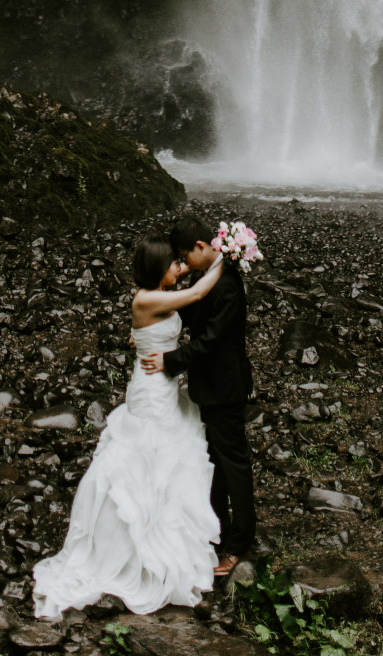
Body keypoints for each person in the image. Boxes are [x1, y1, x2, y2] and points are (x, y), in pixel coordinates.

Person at [32, 236, 225, 619]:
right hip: (151, 391)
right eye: (173, 265)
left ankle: (164, 533)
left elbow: (181, 283)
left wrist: (191, 262)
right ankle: (134, 547)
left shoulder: (154, 294)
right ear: (158, 270)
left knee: (169, 456)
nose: (179, 269)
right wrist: (227, 254)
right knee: (146, 458)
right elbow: (200, 293)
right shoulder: (146, 300)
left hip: (162, 384)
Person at [140, 215, 256, 580]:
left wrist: (168, 360)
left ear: (203, 247)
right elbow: (189, 310)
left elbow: (209, 342)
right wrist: (150, 330)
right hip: (212, 387)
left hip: (225, 388)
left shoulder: (229, 286)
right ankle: (218, 532)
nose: (184, 264)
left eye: (185, 257)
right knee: (216, 464)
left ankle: (240, 544)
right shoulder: (210, 278)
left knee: (234, 465)